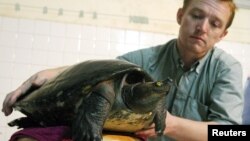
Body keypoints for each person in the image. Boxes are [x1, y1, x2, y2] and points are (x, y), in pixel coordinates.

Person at [2, 0, 243, 141]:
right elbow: (102, 72)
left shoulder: (227, 69)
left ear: (223, 34)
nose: (202, 27)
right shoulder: (147, 59)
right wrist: (52, 73)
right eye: (196, 15)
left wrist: (172, 125)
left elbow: (231, 134)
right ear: (181, 16)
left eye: (215, 23)